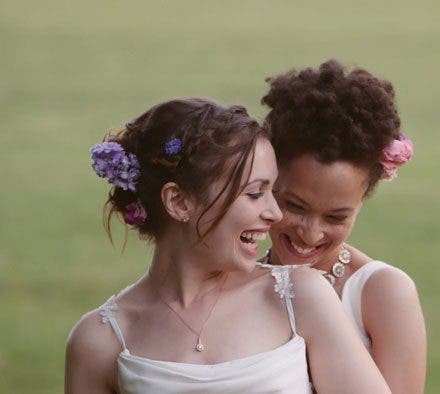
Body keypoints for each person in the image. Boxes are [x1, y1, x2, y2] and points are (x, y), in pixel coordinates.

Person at [65, 98, 390, 393]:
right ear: (178, 202)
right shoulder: (100, 341)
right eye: (254, 193)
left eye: (272, 191)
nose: (274, 213)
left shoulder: (298, 296)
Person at [261, 60, 427, 393]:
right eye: (294, 206)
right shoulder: (231, 278)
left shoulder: (382, 293)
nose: (310, 233)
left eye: (336, 217)